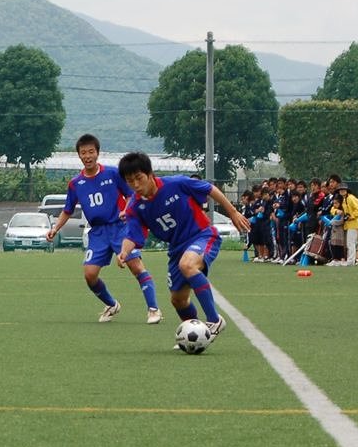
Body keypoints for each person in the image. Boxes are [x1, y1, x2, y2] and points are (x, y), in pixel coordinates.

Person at [116, 152, 251, 343]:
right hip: (176, 249)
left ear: (150, 174)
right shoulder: (134, 208)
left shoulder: (176, 183)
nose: (136, 185)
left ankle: (214, 320)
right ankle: (195, 336)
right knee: (178, 300)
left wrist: (233, 212)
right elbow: (132, 235)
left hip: (203, 235)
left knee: (187, 265)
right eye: (130, 181)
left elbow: (209, 188)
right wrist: (124, 252)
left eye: (139, 178)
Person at [46, 134, 162, 325]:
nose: (87, 156)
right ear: (79, 155)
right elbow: (67, 210)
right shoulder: (75, 183)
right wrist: (55, 229)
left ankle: (153, 309)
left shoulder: (113, 173)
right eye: (83, 153)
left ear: (97, 153)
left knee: (136, 266)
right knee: (90, 274)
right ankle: (112, 304)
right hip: (98, 233)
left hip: (120, 228)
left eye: (91, 152)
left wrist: (127, 211)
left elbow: (131, 195)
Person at [336, 183, 358, 265]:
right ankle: (351, 261)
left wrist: (350, 217)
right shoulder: (344, 199)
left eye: (343, 189)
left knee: (351, 243)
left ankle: (351, 261)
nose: (342, 191)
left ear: (347, 190)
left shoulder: (351, 198)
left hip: (353, 224)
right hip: (348, 224)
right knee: (349, 243)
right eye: (340, 190)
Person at [325, 194, 346, 266]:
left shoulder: (342, 211)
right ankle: (335, 259)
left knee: (339, 245)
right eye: (333, 203)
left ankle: (342, 259)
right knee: (333, 245)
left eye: (336, 203)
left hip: (339, 231)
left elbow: (342, 221)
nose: (335, 205)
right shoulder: (334, 211)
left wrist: (332, 222)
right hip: (333, 231)